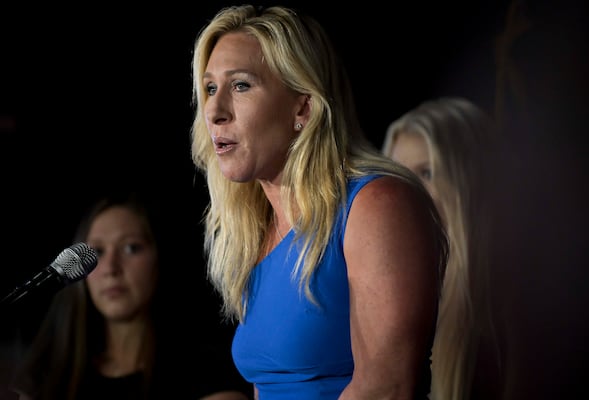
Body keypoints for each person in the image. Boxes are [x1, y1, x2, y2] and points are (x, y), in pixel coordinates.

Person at [189, 5, 449, 400]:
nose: (214, 110)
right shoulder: (254, 231)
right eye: (210, 88)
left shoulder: (376, 204)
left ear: (303, 108)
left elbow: (387, 389)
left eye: (240, 85)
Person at [11, 190, 252, 400]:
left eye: (131, 248)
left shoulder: (204, 371)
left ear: (160, 258)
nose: (111, 268)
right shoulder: (47, 376)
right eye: (96, 252)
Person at [381, 96, 503, 400]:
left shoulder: (506, 310)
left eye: (427, 172)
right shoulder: (392, 296)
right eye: (400, 173)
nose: (408, 190)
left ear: (469, 179)